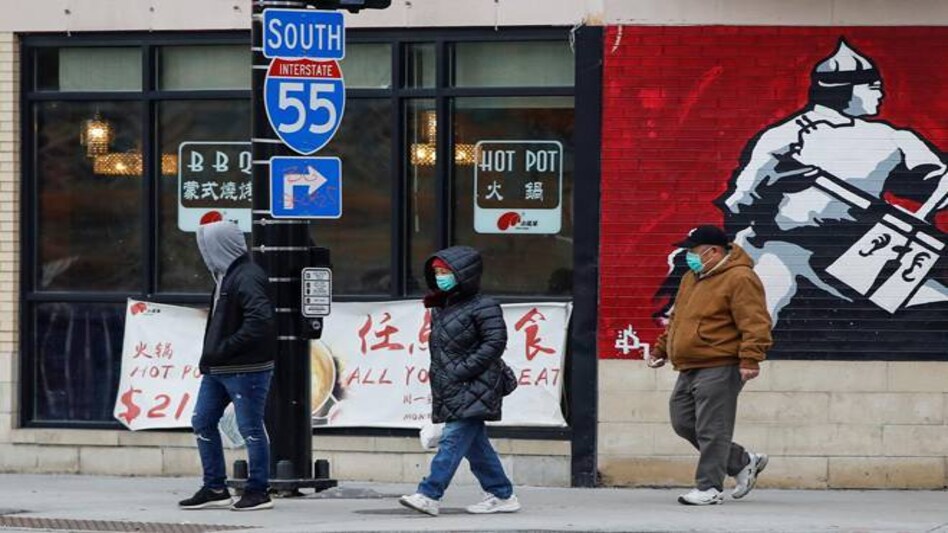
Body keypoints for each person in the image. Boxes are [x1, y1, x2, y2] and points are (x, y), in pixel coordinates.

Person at [648, 225, 773, 506]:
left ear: (713, 251)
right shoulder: (692, 278)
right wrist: (661, 348)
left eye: (693, 251)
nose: (689, 256)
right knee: (682, 421)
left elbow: (756, 321)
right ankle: (742, 461)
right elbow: (678, 317)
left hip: (721, 362)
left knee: (711, 428)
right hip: (690, 363)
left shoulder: (740, 278)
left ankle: (709, 488)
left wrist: (751, 358)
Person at [399, 246, 521, 517]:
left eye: (446, 272)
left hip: (474, 384)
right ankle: (502, 494)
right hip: (454, 385)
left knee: (453, 441)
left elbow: (495, 342)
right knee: (476, 446)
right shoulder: (442, 307)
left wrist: (462, 371)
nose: (441, 277)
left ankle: (429, 494)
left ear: (464, 274)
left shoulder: (484, 306)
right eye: (437, 272)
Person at [178, 220, 277, 512]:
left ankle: (258, 490)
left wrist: (222, 349)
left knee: (251, 428)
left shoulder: (246, 275)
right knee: (203, 421)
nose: (203, 251)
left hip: (246, 368)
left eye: (206, 244)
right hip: (219, 368)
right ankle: (215, 486)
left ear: (219, 246)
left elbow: (260, 321)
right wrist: (215, 356)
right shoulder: (225, 274)